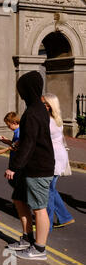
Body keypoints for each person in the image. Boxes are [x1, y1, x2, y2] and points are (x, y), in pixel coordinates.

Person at [5, 71, 54, 261]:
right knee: (19, 199)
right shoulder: (35, 109)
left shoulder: (34, 112)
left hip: (38, 167)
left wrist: (14, 167)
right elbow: (30, 139)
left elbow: (30, 143)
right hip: (30, 166)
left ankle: (40, 249)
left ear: (28, 89)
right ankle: (27, 238)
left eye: (21, 89)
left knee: (39, 208)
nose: (20, 93)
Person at [41, 93, 75, 230]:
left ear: (50, 105)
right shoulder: (56, 119)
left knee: (47, 190)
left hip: (53, 157)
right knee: (50, 188)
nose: (41, 106)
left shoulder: (49, 121)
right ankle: (65, 217)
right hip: (58, 155)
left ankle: (47, 224)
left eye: (44, 103)